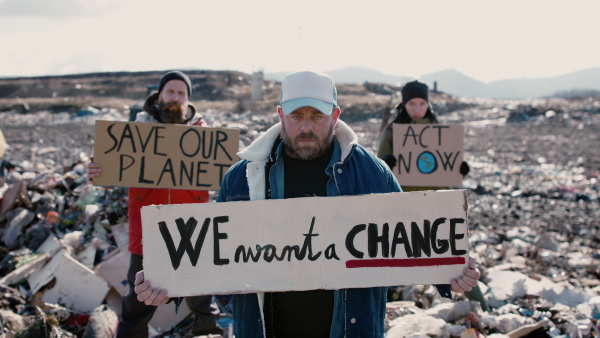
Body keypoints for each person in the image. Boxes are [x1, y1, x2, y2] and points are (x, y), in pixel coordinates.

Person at [133, 71, 481, 337]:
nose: (305, 127)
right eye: (297, 116)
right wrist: (167, 282)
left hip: (350, 327)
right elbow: (215, 255)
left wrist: (451, 274)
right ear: (280, 114)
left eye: (317, 116)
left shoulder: (372, 173)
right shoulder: (242, 178)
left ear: (335, 115)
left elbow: (410, 243)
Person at [87, 71, 223, 337]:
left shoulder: (205, 136)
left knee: (204, 306)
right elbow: (110, 176)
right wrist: (96, 172)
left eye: (181, 93)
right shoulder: (136, 134)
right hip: (147, 237)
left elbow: (222, 178)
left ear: (188, 100)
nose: (175, 98)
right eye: (170, 92)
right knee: (137, 308)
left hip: (193, 233)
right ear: (159, 96)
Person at [376, 80, 489, 311]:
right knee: (392, 259)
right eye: (411, 103)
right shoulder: (391, 132)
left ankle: (484, 309)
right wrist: (387, 164)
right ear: (404, 104)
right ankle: (387, 307)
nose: (416, 108)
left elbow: (447, 168)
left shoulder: (440, 131)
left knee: (456, 259)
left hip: (438, 205)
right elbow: (378, 171)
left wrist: (461, 169)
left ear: (428, 104)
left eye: (421, 103)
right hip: (403, 205)